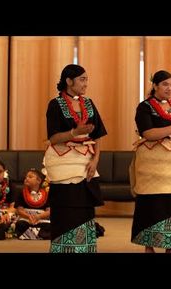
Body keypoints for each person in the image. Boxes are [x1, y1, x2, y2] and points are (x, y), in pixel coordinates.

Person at [44, 64, 107, 253]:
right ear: (69, 81)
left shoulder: (89, 103)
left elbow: (97, 136)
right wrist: (74, 132)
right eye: (82, 79)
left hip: (86, 161)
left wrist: (95, 161)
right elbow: (54, 138)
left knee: (85, 208)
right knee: (65, 208)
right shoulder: (55, 104)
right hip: (63, 162)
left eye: (86, 79)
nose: (85, 83)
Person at [130, 70, 171, 253]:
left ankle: (170, 247)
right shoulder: (145, 107)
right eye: (165, 84)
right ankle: (149, 247)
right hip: (151, 163)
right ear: (155, 86)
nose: (170, 88)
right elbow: (148, 133)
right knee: (152, 203)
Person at [14, 168, 51, 240]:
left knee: (49, 226)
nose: (26, 179)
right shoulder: (21, 193)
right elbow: (19, 210)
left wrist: (38, 217)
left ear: (39, 181)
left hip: (40, 219)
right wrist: (29, 217)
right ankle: (39, 235)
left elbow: (49, 211)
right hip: (26, 219)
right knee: (20, 224)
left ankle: (29, 234)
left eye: (30, 177)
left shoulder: (46, 194)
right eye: (26, 177)